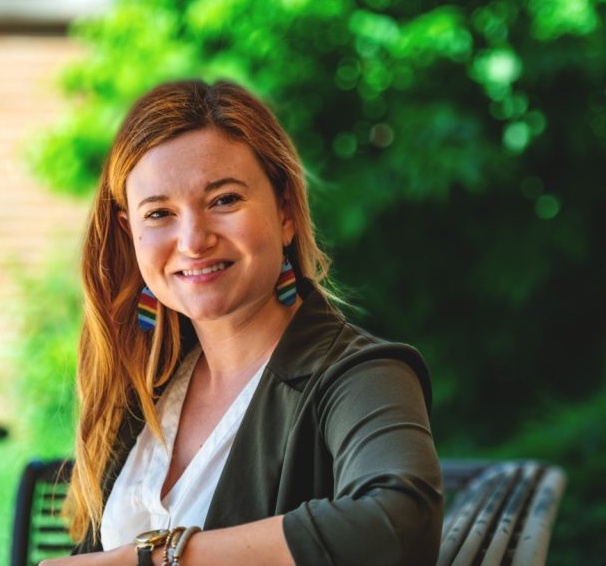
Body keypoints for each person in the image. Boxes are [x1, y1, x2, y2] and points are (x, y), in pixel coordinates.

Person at [45, 79, 443, 566]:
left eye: (224, 200)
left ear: (285, 212)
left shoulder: (363, 374)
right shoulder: (146, 382)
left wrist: (156, 559)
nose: (193, 240)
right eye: (160, 213)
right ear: (131, 234)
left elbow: (401, 523)